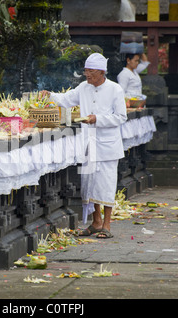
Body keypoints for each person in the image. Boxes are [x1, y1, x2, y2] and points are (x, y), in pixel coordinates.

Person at [40, 53, 127, 239]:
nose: (87, 74)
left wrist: (98, 119)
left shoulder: (115, 89)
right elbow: (66, 99)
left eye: (91, 71)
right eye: (86, 70)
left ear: (102, 72)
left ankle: (107, 225)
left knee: (106, 184)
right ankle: (96, 222)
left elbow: (121, 117)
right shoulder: (83, 87)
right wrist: (50, 95)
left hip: (108, 145)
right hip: (89, 144)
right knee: (90, 185)